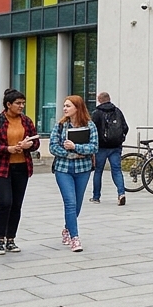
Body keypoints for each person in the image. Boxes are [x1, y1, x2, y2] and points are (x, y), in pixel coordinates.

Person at [0, 89, 40, 254]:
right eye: (18, 103)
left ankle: (11, 239)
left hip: (22, 167)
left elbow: (36, 141)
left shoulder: (26, 121)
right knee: (5, 202)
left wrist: (29, 145)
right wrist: (8, 149)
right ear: (8, 104)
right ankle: (0, 239)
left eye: (23, 103)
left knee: (16, 204)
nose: (21, 106)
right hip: (0, 169)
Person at [48, 95, 98, 252]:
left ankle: (67, 229)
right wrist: (70, 154)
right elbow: (53, 147)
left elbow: (94, 147)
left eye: (68, 106)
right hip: (63, 169)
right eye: (64, 106)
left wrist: (76, 147)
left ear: (78, 108)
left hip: (83, 169)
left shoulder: (90, 126)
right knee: (70, 202)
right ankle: (75, 238)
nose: (65, 108)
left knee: (77, 204)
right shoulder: (60, 126)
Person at [90, 92, 129, 206]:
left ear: (99, 100)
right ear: (109, 99)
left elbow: (92, 130)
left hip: (101, 147)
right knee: (117, 170)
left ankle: (96, 197)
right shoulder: (117, 111)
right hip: (115, 146)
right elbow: (125, 127)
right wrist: (120, 139)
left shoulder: (96, 113)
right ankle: (121, 193)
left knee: (98, 171)